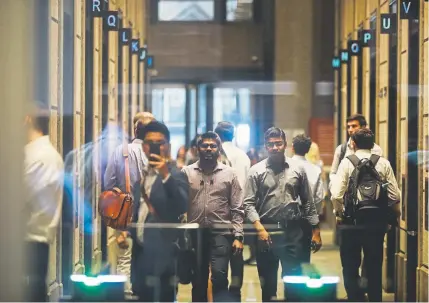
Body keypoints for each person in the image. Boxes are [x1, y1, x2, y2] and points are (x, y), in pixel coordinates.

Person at [243, 127, 322, 302]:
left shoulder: (298, 169)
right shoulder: (256, 171)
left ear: (285, 145)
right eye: (270, 144)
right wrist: (259, 228)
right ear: (265, 146)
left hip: (292, 231)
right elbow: (248, 204)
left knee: (294, 283)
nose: (274, 147)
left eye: (278, 144)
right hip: (266, 231)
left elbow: (308, 201)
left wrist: (316, 231)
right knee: (268, 284)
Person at [331, 128, 401, 302]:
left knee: (350, 265)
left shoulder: (347, 163)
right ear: (373, 144)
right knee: (374, 264)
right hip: (375, 224)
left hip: (351, 222)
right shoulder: (383, 163)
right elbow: (395, 196)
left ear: (353, 144)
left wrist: (339, 214)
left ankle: (355, 298)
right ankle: (375, 298)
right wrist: (390, 214)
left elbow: (336, 195)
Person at [182, 131, 244, 302]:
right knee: (198, 280)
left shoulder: (229, 174)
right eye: (205, 145)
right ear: (197, 149)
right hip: (196, 234)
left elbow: (238, 207)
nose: (209, 148)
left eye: (213, 145)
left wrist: (238, 236)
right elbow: (179, 206)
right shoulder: (187, 173)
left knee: (220, 276)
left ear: (219, 149)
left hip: (221, 233)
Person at [130, 121, 188, 302]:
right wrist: (128, 233)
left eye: (160, 142)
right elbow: (139, 209)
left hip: (164, 258)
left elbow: (182, 205)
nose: (154, 146)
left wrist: (165, 174)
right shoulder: (142, 174)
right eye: (149, 142)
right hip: (141, 254)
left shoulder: (177, 174)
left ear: (168, 146)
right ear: (144, 147)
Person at [103, 112, 155, 295]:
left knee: (124, 257)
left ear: (135, 130)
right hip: (151, 213)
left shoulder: (120, 151)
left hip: (125, 209)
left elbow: (108, 182)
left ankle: (125, 293)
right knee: (149, 256)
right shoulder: (157, 153)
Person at [23, 102, 64, 301]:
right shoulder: (41, 154)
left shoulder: (39, 156)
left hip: (30, 242)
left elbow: (18, 198)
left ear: (27, 119)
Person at [214, 121, 251, 301]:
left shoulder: (213, 155)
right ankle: (235, 295)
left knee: (218, 258)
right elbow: (246, 188)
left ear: (216, 135)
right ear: (233, 136)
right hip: (238, 213)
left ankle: (220, 296)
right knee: (237, 256)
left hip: (217, 214)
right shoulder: (243, 156)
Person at [291, 134, 324, 263]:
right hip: (305, 217)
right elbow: (318, 197)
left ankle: (289, 282)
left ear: (292, 148)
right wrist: (315, 219)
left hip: (287, 217)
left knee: (288, 256)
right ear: (308, 149)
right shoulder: (315, 169)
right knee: (304, 256)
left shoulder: (285, 166)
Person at [330, 114, 382, 187]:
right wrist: (335, 186)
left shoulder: (376, 149)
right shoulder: (341, 149)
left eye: (354, 126)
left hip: (369, 194)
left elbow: (380, 172)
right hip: (346, 194)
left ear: (363, 127)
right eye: (348, 127)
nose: (350, 130)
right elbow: (333, 172)